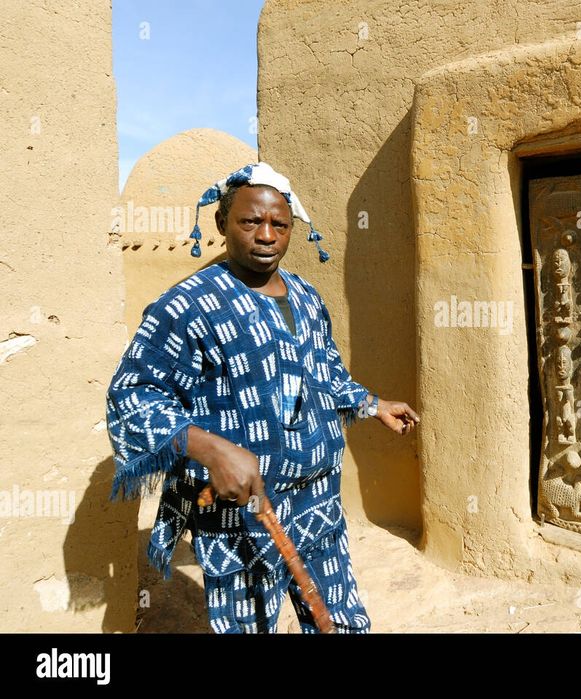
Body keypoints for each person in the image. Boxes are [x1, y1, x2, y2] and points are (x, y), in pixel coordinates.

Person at [105, 162, 420, 633]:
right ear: (222, 224)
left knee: (340, 621)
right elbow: (132, 397)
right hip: (240, 516)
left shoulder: (308, 297)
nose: (267, 235)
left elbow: (324, 371)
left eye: (280, 224)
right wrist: (212, 449)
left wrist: (372, 404)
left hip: (317, 500)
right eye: (251, 222)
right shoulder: (189, 304)